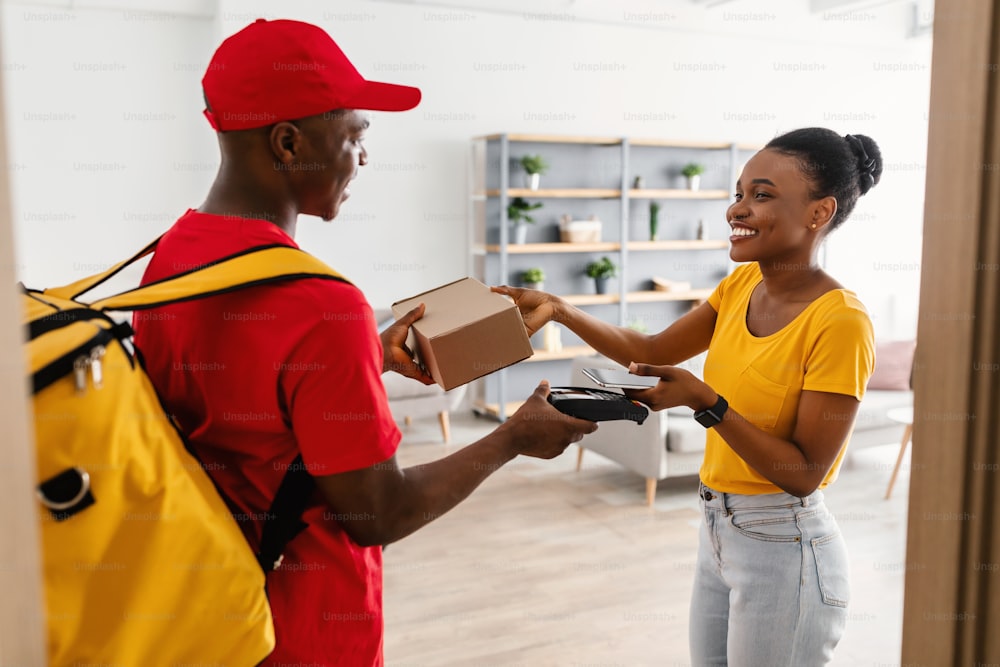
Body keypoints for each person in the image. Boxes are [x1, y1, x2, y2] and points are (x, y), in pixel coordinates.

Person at [132, 18, 597, 667]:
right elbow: (378, 512)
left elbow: (240, 399)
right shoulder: (323, 306)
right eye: (353, 135)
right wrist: (513, 437)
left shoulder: (168, 261)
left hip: (214, 620)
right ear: (289, 143)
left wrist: (366, 355)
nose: (363, 156)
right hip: (309, 633)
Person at [494, 127, 881, 666]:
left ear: (820, 213)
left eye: (762, 196)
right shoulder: (741, 286)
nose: (737, 210)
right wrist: (560, 308)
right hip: (718, 530)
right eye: (740, 193)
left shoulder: (841, 321)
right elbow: (651, 347)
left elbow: (804, 473)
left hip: (785, 542)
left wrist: (706, 402)